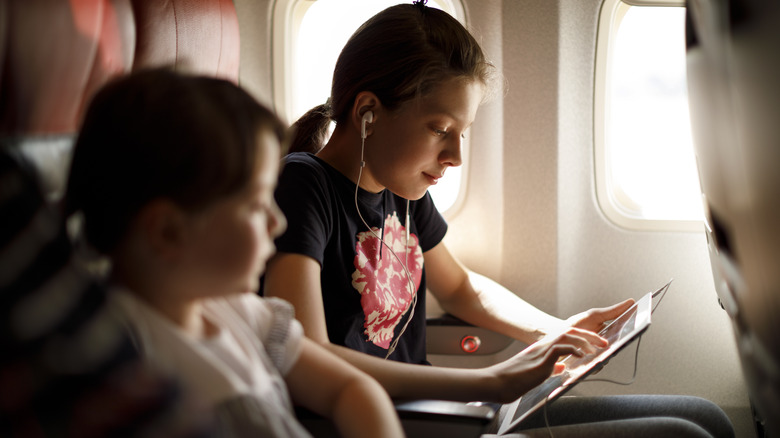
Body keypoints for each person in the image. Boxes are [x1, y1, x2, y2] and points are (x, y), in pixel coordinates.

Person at [261, 2, 735, 437]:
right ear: (368, 112)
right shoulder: (304, 186)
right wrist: (491, 380)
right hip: (375, 422)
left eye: (462, 133)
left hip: (434, 410)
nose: (455, 156)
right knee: (684, 434)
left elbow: (463, 289)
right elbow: (306, 353)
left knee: (705, 416)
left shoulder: (400, 192)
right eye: (440, 129)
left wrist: (557, 331)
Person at [64, 68, 405, 438]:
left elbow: (351, 389)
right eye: (259, 205)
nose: (278, 223)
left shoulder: (238, 311)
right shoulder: (127, 361)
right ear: (168, 231)